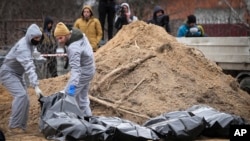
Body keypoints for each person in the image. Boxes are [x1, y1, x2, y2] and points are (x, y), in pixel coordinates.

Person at [0, 23, 43, 133]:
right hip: (8, 73)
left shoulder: (29, 43)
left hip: (18, 74)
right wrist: (36, 85)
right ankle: (14, 126)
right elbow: (29, 66)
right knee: (21, 95)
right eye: (36, 38)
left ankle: (21, 126)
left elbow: (32, 51)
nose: (37, 40)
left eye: (39, 38)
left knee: (26, 99)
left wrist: (36, 54)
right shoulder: (23, 47)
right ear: (30, 36)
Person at [54, 22, 95, 116]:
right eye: (57, 39)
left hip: (83, 72)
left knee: (68, 97)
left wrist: (71, 91)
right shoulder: (78, 35)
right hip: (90, 68)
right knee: (82, 99)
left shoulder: (73, 47)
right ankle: (88, 120)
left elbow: (76, 71)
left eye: (61, 38)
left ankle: (67, 121)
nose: (59, 41)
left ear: (66, 34)